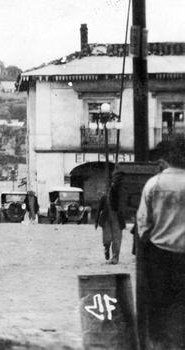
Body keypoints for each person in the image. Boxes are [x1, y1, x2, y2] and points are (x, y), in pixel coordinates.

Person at [135, 137, 185, 349]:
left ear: (164, 160)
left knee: (159, 304)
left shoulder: (154, 185)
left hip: (160, 255)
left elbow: (143, 223)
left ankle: (162, 344)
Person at [94, 191, 124, 264]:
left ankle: (115, 258)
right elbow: (99, 209)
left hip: (117, 221)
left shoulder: (120, 198)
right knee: (107, 239)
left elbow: (123, 210)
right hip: (106, 221)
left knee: (116, 241)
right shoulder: (104, 198)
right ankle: (106, 248)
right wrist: (96, 221)